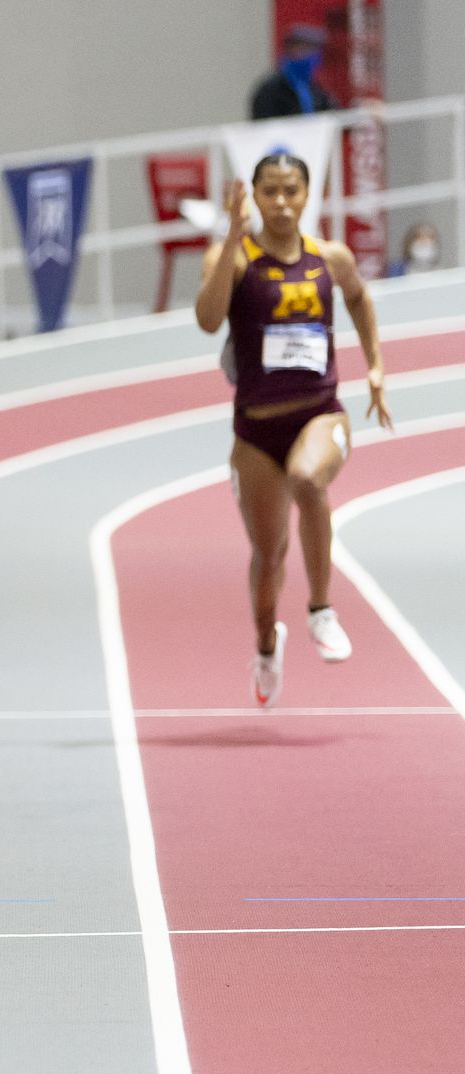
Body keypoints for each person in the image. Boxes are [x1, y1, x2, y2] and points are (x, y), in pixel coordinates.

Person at [195, 154, 390, 706]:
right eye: (271, 192)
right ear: (253, 196)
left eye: (292, 191)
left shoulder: (330, 258)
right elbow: (208, 320)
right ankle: (265, 645)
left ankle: (321, 608)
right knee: (268, 560)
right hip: (256, 434)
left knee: (309, 479)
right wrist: (233, 238)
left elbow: (358, 296)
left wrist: (375, 364)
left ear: (309, 195)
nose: (282, 203)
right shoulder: (232, 258)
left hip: (320, 413)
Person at [251, 24, 338, 121]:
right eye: (305, 48)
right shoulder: (271, 89)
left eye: (315, 50)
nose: (313, 55)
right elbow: (263, 126)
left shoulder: (315, 89)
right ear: (290, 49)